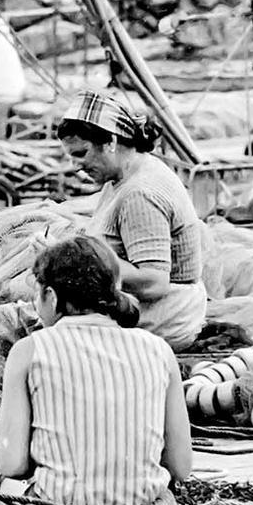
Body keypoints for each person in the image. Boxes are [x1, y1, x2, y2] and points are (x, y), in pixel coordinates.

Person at [0, 235, 193, 505]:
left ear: (50, 296)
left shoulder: (30, 350)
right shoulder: (158, 349)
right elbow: (180, 466)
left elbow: (12, 465)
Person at [58, 89, 207, 351]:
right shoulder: (126, 175)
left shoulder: (139, 195)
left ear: (111, 142)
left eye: (81, 153)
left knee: (13, 322)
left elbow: (154, 284)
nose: (75, 165)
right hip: (154, 311)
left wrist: (84, 262)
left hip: (159, 318)